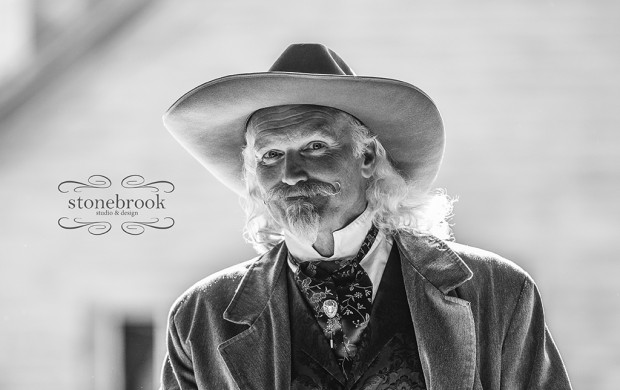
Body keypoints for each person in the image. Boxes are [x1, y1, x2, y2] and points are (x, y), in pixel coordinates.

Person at [159, 43, 572, 389]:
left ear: (368, 157)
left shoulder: (499, 291)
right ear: (254, 178)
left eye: (316, 146)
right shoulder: (201, 316)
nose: (291, 174)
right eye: (270, 155)